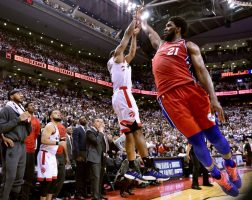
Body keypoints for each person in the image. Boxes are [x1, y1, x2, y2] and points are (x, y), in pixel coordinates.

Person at [141, 14, 241, 196]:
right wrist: (141, 21)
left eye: (169, 25)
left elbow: (202, 71)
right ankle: (219, 177)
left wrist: (214, 99)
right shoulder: (160, 46)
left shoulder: (187, 46)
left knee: (214, 134)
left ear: (178, 28)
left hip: (191, 91)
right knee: (196, 141)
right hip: (169, 99)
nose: (165, 28)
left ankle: (230, 164)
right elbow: (150, 33)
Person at [107, 19, 169, 182]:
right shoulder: (115, 58)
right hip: (124, 95)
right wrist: (135, 22)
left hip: (118, 98)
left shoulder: (122, 64)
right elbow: (124, 39)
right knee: (137, 131)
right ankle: (148, 168)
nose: (122, 53)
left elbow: (132, 53)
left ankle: (132, 169)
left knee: (128, 134)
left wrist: (135, 37)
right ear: (115, 56)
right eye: (120, 52)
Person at [0, 89, 32, 200]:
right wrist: (18, 119)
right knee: (9, 177)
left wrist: (28, 122)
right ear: (11, 96)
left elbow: (29, 131)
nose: (21, 95)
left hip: (22, 145)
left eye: (22, 94)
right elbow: (1, 128)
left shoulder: (22, 110)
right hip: (12, 145)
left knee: (19, 178)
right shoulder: (6, 109)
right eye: (18, 93)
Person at [37, 110, 65, 200]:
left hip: (51, 155)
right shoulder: (49, 126)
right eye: (55, 113)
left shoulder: (56, 127)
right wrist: (58, 143)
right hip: (45, 154)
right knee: (46, 182)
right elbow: (43, 140)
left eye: (59, 113)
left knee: (53, 181)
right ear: (50, 117)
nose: (58, 113)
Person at [21, 102, 41, 200]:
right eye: (31, 105)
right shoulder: (21, 117)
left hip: (31, 150)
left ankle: (25, 197)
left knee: (29, 176)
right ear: (25, 108)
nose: (33, 106)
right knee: (19, 175)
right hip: (21, 149)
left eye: (34, 105)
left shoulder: (36, 121)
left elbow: (36, 135)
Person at [86, 118, 107, 200]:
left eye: (102, 121)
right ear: (93, 123)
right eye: (98, 121)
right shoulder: (89, 131)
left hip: (102, 157)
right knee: (96, 178)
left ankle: (98, 195)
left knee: (100, 178)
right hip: (94, 158)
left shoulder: (101, 133)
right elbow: (96, 142)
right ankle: (95, 197)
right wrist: (101, 133)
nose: (100, 123)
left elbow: (104, 145)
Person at [73, 116, 88, 199]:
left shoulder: (87, 130)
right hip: (81, 154)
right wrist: (78, 155)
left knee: (85, 175)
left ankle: (84, 193)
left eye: (85, 119)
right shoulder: (77, 129)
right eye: (82, 118)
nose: (84, 119)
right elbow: (75, 143)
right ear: (79, 121)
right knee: (79, 175)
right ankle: (78, 194)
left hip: (87, 154)